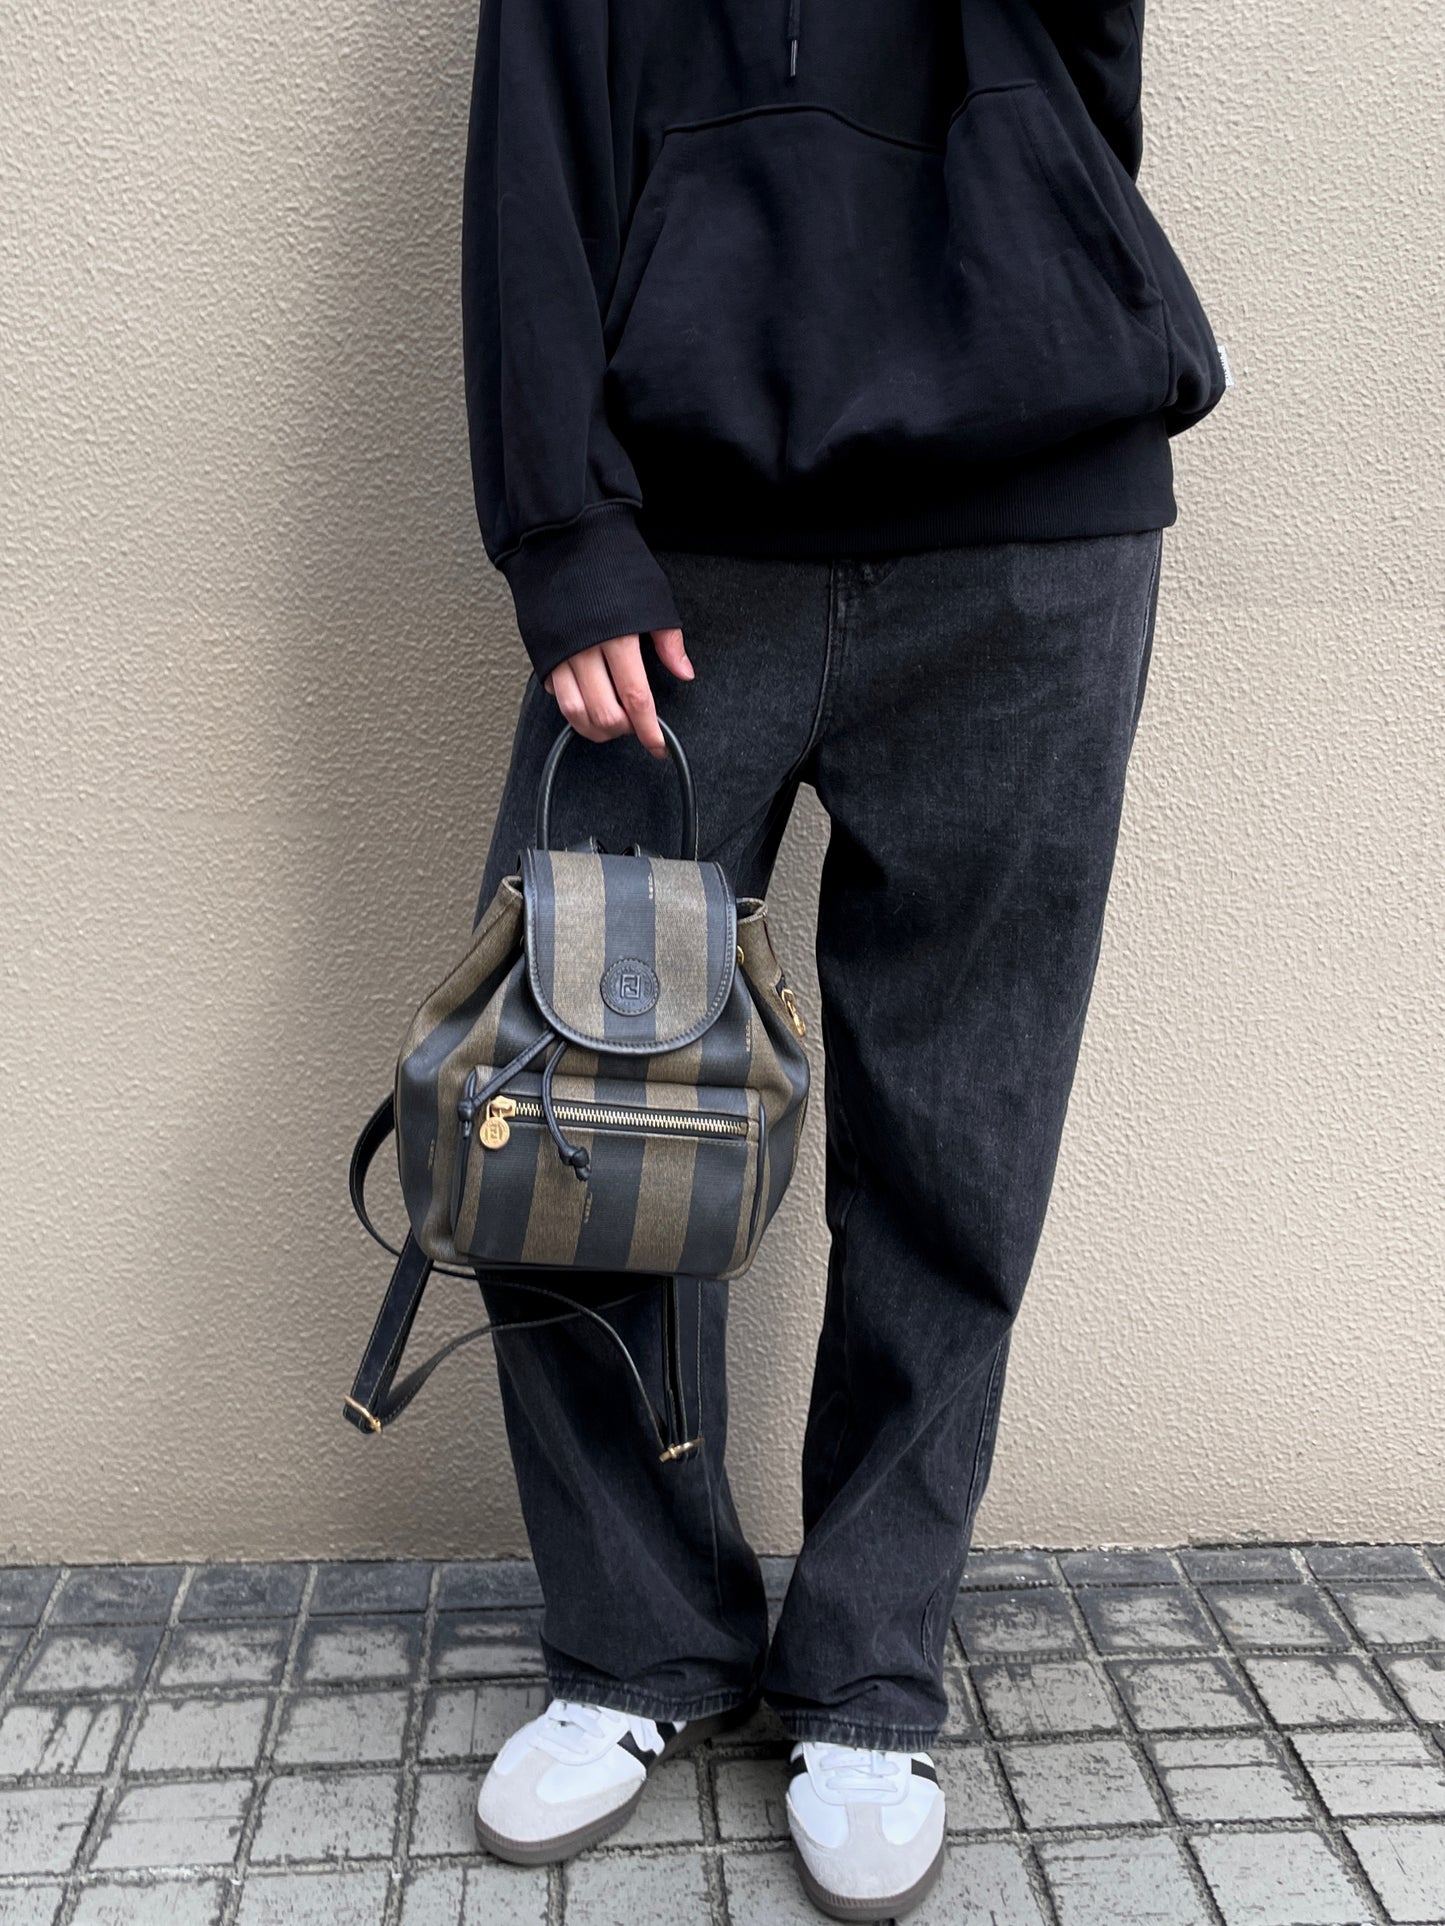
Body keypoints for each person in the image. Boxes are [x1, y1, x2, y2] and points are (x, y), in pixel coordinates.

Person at [457, 0, 1224, 1915]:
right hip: (681, 555)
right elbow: (534, 138)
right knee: (571, 1122)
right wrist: (559, 523)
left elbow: (1085, 84)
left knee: (956, 1131)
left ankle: (871, 1668)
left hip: (1031, 526)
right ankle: (634, 1642)